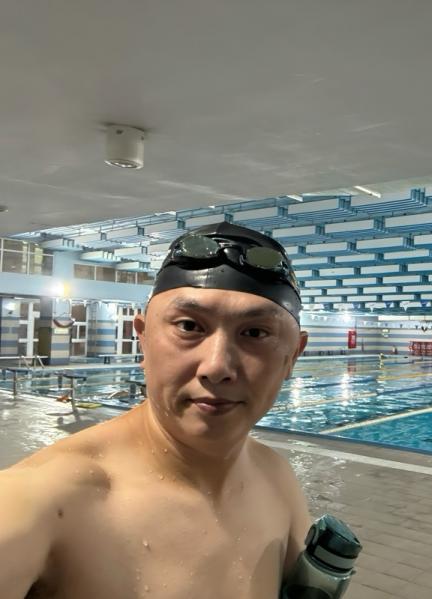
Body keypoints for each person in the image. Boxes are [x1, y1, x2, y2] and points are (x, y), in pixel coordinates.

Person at [0, 222, 311, 598]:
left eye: (255, 333)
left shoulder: (278, 479)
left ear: (293, 355)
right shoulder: (42, 500)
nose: (216, 367)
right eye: (189, 326)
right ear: (143, 337)